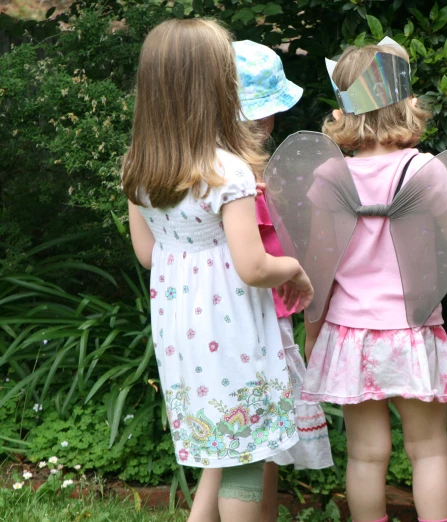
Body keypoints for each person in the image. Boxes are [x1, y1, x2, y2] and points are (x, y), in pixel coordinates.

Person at [122, 19, 313, 522]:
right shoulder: (227, 170)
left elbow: (147, 254)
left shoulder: (138, 167)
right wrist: (293, 268)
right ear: (215, 88)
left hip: (180, 330)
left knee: (221, 444)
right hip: (233, 331)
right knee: (246, 455)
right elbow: (252, 266)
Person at [299, 42, 447, 522]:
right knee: (429, 450)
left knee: (365, 455)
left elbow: (321, 264)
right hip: (412, 331)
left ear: (345, 110)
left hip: (351, 334)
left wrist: (312, 333)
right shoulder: (423, 169)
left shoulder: (331, 175)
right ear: (405, 103)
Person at [189, 40, 333, 522]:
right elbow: (259, 259)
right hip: (258, 323)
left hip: (219, 317)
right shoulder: (239, 180)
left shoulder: (208, 171)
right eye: (263, 116)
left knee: (232, 445)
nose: (268, 126)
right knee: (257, 438)